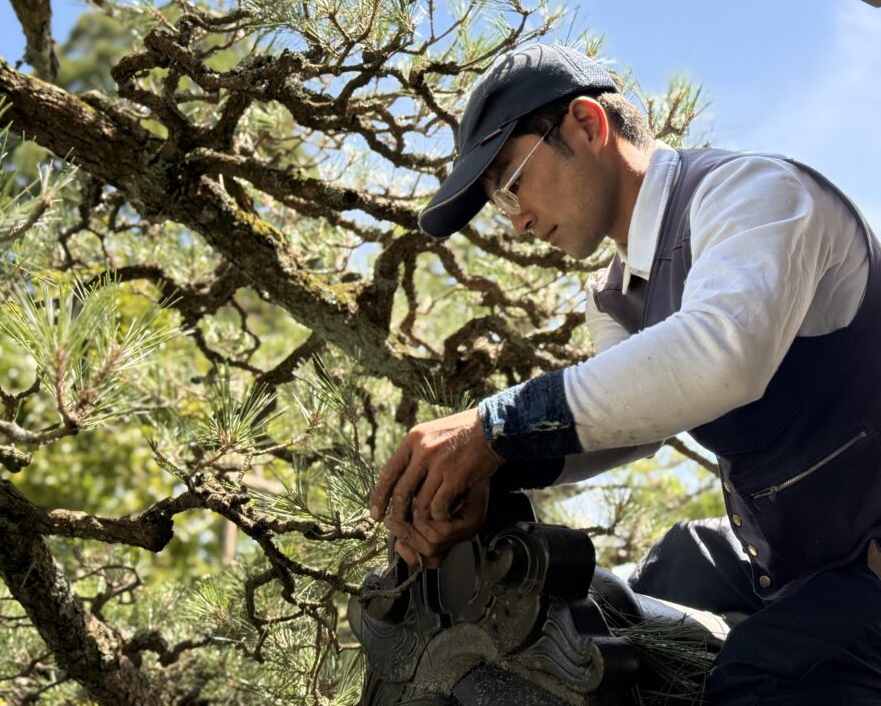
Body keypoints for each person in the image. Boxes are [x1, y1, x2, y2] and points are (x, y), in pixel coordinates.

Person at [368, 43, 881, 704]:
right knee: (652, 582)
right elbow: (633, 425)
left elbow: (721, 355)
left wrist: (492, 428)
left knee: (759, 677)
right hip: (790, 562)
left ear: (588, 124)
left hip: (867, 559)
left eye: (512, 182)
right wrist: (487, 472)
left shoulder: (755, 194)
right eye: (499, 203)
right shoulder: (615, 295)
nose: (518, 220)